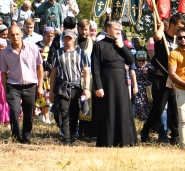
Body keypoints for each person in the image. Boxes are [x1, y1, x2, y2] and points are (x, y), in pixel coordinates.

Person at [91, 19, 138, 147]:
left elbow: (130, 60)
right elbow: (95, 68)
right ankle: (108, 141)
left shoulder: (122, 45)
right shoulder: (99, 45)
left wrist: (121, 45)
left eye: (119, 29)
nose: (118, 31)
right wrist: (98, 87)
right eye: (116, 29)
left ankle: (125, 140)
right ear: (107, 29)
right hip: (106, 82)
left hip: (121, 83)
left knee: (123, 110)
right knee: (108, 110)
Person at [0, 23, 43, 144]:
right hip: (13, 85)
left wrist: (40, 86)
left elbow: (39, 68)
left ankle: (26, 138)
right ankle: (16, 137)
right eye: (12, 35)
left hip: (30, 85)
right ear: (8, 37)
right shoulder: (5, 53)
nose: (15, 37)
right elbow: (3, 73)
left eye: (17, 34)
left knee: (29, 114)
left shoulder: (33, 48)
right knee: (14, 111)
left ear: (22, 34)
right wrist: (5, 90)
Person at [141, 15, 182, 144]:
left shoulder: (179, 39)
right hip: (162, 76)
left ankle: (175, 136)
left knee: (175, 108)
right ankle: (145, 130)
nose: (181, 29)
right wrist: (162, 26)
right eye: (179, 27)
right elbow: (157, 37)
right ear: (172, 25)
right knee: (159, 108)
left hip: (175, 77)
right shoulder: (162, 36)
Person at [47, 28, 89, 144]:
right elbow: (54, 72)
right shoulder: (57, 53)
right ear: (62, 39)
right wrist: (51, 91)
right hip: (62, 86)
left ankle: (73, 135)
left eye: (70, 38)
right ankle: (65, 136)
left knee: (75, 112)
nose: (68, 40)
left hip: (76, 86)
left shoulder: (81, 53)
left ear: (74, 38)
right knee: (63, 111)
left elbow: (86, 71)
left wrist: (87, 88)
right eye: (65, 37)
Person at [132, 50, 153, 121]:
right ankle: (141, 120)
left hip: (148, 89)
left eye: (143, 60)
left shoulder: (150, 66)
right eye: (139, 60)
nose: (141, 62)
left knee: (149, 105)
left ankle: (148, 121)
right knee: (139, 104)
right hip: (138, 88)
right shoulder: (134, 66)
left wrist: (149, 72)